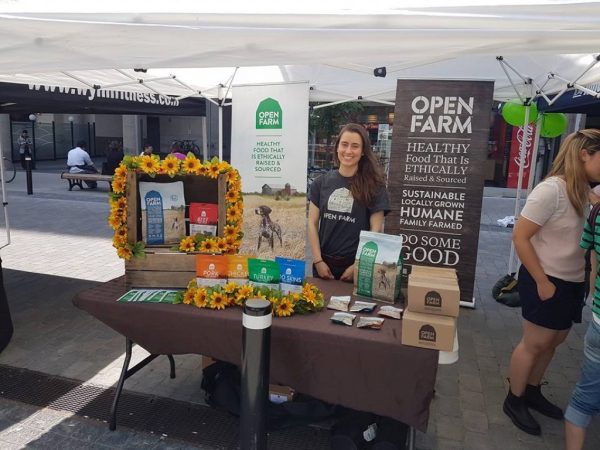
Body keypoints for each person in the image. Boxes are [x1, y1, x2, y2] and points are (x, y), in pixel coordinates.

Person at [504, 129, 600, 436]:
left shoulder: (586, 191)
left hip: (572, 282)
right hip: (545, 279)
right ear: (585, 155)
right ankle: (514, 399)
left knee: (554, 342)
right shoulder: (552, 190)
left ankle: (532, 390)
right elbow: (520, 236)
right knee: (534, 343)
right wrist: (542, 281)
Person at [308, 123, 390, 281]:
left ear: (363, 151)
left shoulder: (375, 186)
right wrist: (318, 261)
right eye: (344, 144)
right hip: (323, 266)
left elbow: (376, 230)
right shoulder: (320, 183)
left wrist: (359, 265)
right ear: (337, 147)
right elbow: (312, 222)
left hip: (356, 269)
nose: (348, 151)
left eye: (355, 146)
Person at [564, 130, 600, 450]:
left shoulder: (596, 208)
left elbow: (590, 252)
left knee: (585, 396)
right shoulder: (555, 190)